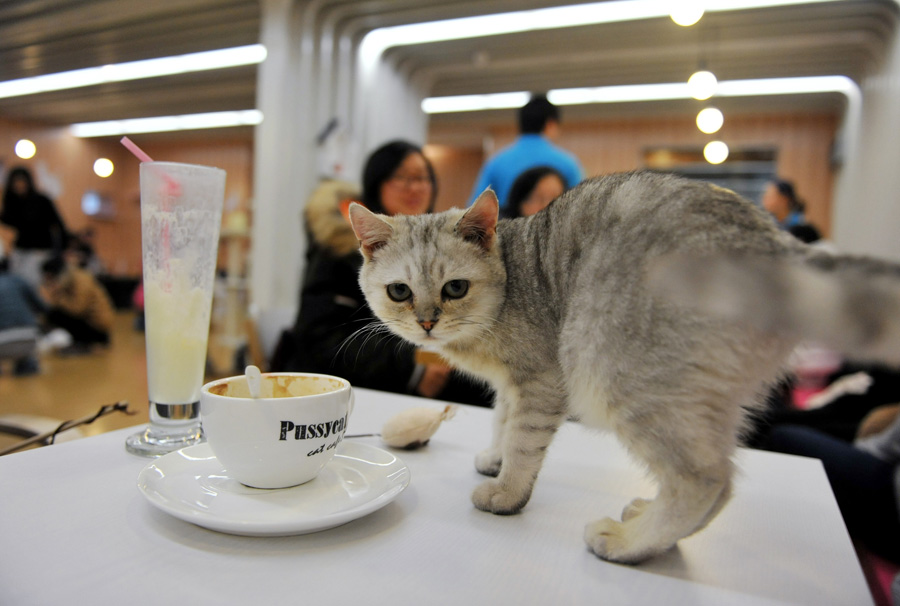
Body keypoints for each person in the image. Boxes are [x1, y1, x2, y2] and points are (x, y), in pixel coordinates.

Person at [275, 140, 492, 407]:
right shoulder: (338, 250)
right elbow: (321, 343)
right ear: (376, 182)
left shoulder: (444, 247)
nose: (414, 187)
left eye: (423, 178)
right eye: (402, 177)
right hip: (350, 400)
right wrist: (412, 369)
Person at [468, 94, 583, 212]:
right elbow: (580, 208)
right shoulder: (568, 164)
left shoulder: (496, 163)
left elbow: (474, 211)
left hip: (508, 228)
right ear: (551, 124)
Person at [1, 166, 69, 289]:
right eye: (15, 182)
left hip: (39, 251)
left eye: (21, 181)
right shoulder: (14, 203)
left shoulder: (42, 200)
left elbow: (59, 225)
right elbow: (9, 221)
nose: (19, 185)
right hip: (20, 249)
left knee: (31, 285)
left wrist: (62, 249)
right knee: (14, 283)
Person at [40, 256, 114, 353]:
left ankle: (86, 343)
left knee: (55, 315)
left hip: (98, 328)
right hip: (88, 321)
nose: (50, 283)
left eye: (51, 279)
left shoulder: (81, 279)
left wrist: (57, 296)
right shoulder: (69, 279)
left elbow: (78, 309)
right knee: (51, 314)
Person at [0, 245, 46, 375]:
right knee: (26, 364)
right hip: (29, 339)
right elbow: (43, 307)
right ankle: (27, 364)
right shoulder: (19, 281)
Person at [761, 178, 821, 243]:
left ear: (784, 200)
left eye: (769, 196)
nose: (764, 199)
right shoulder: (768, 222)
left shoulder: (801, 225)